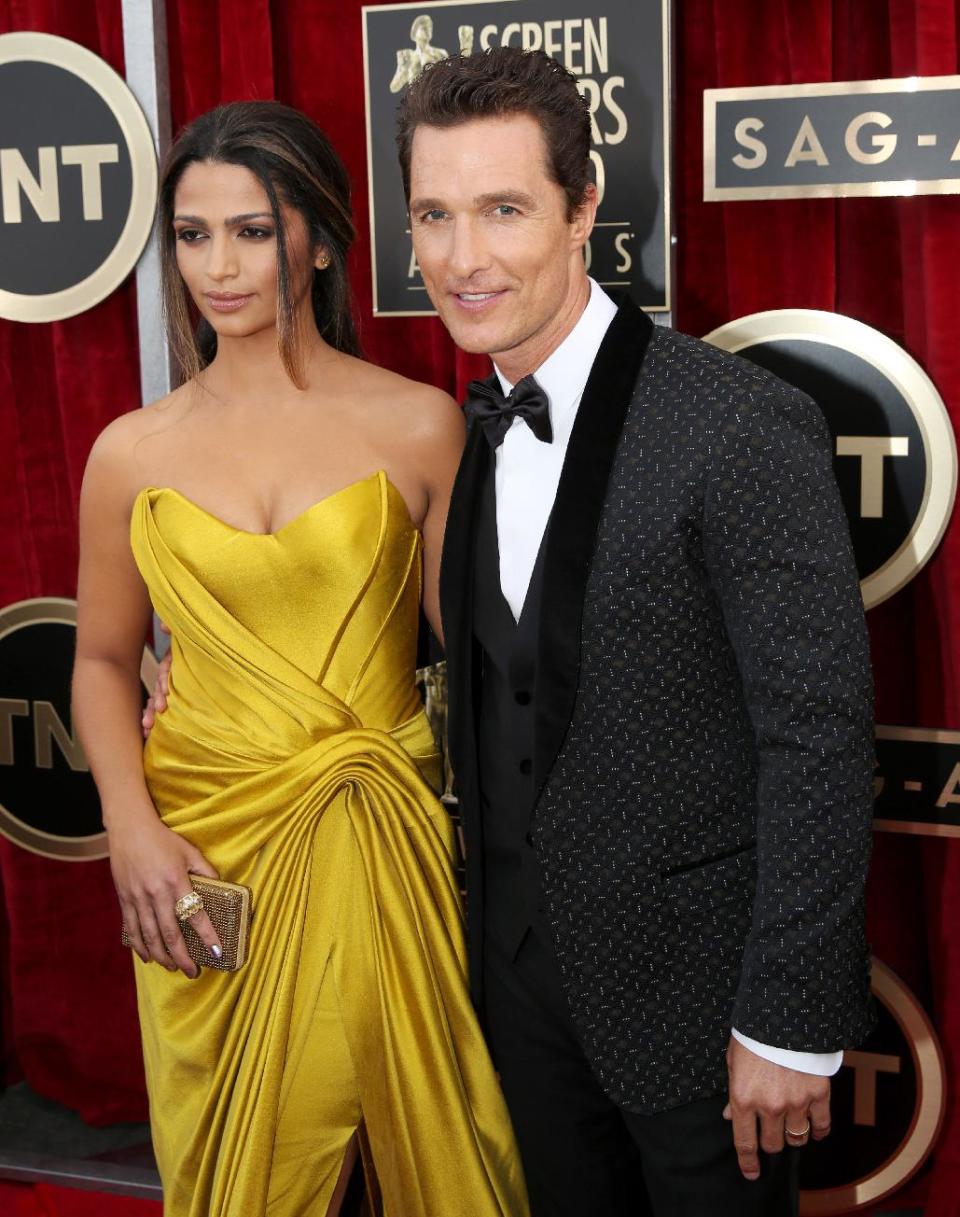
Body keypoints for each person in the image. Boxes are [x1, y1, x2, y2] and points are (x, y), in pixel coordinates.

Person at [396, 48, 876, 1216]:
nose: (464, 258)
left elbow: (817, 737)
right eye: (434, 214)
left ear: (583, 209)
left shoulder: (739, 424)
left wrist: (790, 1019)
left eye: (503, 209)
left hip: (705, 1012)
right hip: (513, 989)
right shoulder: (466, 431)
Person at [72, 100, 528, 1217]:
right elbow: (97, 658)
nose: (219, 267)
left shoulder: (422, 425)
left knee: (403, 1149)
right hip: (202, 847)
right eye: (192, 234)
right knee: (237, 1167)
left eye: (253, 230)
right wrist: (130, 826)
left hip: (378, 837)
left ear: (318, 239)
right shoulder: (129, 450)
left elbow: (478, 664)